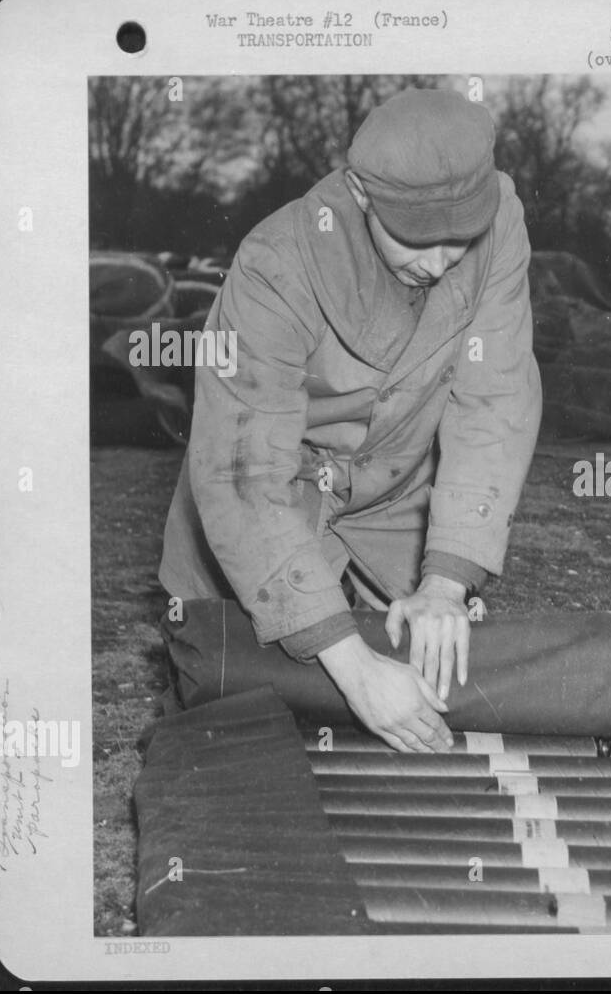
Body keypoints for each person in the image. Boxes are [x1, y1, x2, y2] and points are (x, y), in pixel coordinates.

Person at [160, 89, 541, 754]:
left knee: (434, 674)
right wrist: (352, 663)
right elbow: (245, 473)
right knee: (228, 700)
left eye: (462, 236)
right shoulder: (274, 267)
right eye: (419, 238)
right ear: (363, 198)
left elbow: (494, 399)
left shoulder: (502, 218)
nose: (443, 260)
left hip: (397, 487)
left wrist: (445, 584)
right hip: (277, 489)